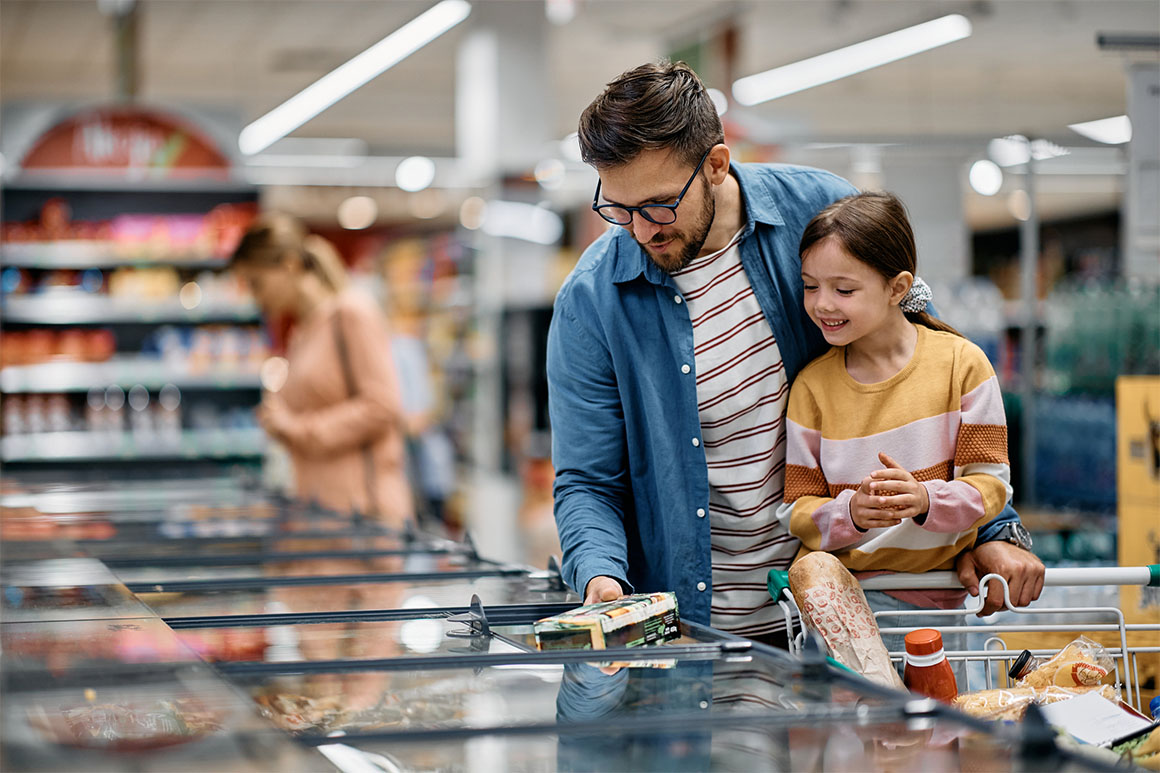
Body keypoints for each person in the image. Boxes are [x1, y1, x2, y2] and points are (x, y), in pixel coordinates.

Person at [546, 60, 1043, 646]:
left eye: (658, 204)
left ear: (715, 164)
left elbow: (923, 364)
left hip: (849, 614)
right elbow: (587, 480)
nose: (640, 231)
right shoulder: (592, 302)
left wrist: (995, 529)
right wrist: (600, 576)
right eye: (618, 208)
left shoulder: (821, 211)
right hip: (693, 629)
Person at [776, 191, 1014, 655]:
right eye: (810, 286)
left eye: (844, 289)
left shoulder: (961, 365)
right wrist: (850, 513)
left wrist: (927, 499)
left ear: (897, 287)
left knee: (943, 727)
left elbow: (990, 488)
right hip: (837, 612)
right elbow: (796, 510)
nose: (822, 304)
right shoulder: (812, 387)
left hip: (941, 610)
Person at [230, 213, 412, 528]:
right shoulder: (304, 331)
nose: (255, 297)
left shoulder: (351, 314)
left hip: (363, 516)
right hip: (320, 512)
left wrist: (296, 428)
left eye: (257, 283)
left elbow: (382, 406)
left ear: (288, 265)